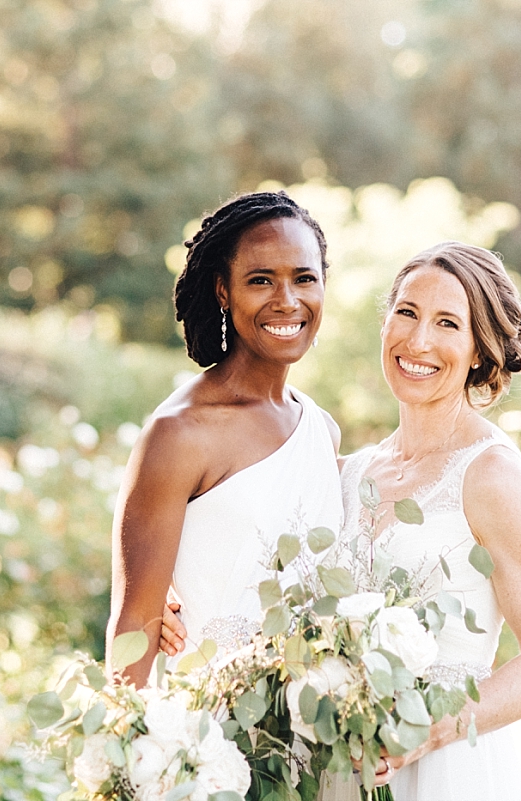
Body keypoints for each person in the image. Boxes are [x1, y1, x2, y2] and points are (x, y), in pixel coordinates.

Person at [332, 241, 521, 799]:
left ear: (477, 351)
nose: (418, 341)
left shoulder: (489, 474)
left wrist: (427, 729)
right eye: (407, 313)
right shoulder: (349, 473)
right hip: (343, 764)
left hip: (445, 772)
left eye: (447, 323)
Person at [107, 191, 344, 687]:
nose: (287, 301)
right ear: (222, 290)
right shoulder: (179, 434)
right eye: (261, 280)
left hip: (306, 732)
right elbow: (134, 624)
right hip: (203, 724)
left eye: (304, 278)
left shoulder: (321, 430)